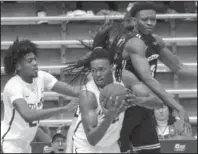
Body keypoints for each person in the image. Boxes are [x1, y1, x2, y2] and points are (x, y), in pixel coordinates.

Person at [83, 2, 196, 153]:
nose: (150, 23)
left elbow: (179, 68)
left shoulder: (155, 40)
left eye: (153, 19)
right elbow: (148, 78)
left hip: (144, 104)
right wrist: (177, 107)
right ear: (135, 21)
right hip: (123, 106)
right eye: (145, 19)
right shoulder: (134, 43)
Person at [66, 47, 164, 153]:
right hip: (86, 146)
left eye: (102, 69)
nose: (97, 75)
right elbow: (92, 139)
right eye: (94, 71)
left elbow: (158, 102)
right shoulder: (88, 95)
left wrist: (137, 100)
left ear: (111, 67)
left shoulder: (124, 78)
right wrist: (109, 117)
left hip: (111, 145)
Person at [1, 39, 80, 153]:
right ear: (18, 66)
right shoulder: (13, 86)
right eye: (29, 61)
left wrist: (87, 93)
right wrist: (64, 109)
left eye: (34, 59)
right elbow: (28, 115)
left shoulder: (41, 77)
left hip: (26, 144)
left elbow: (66, 88)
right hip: (10, 144)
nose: (34, 63)